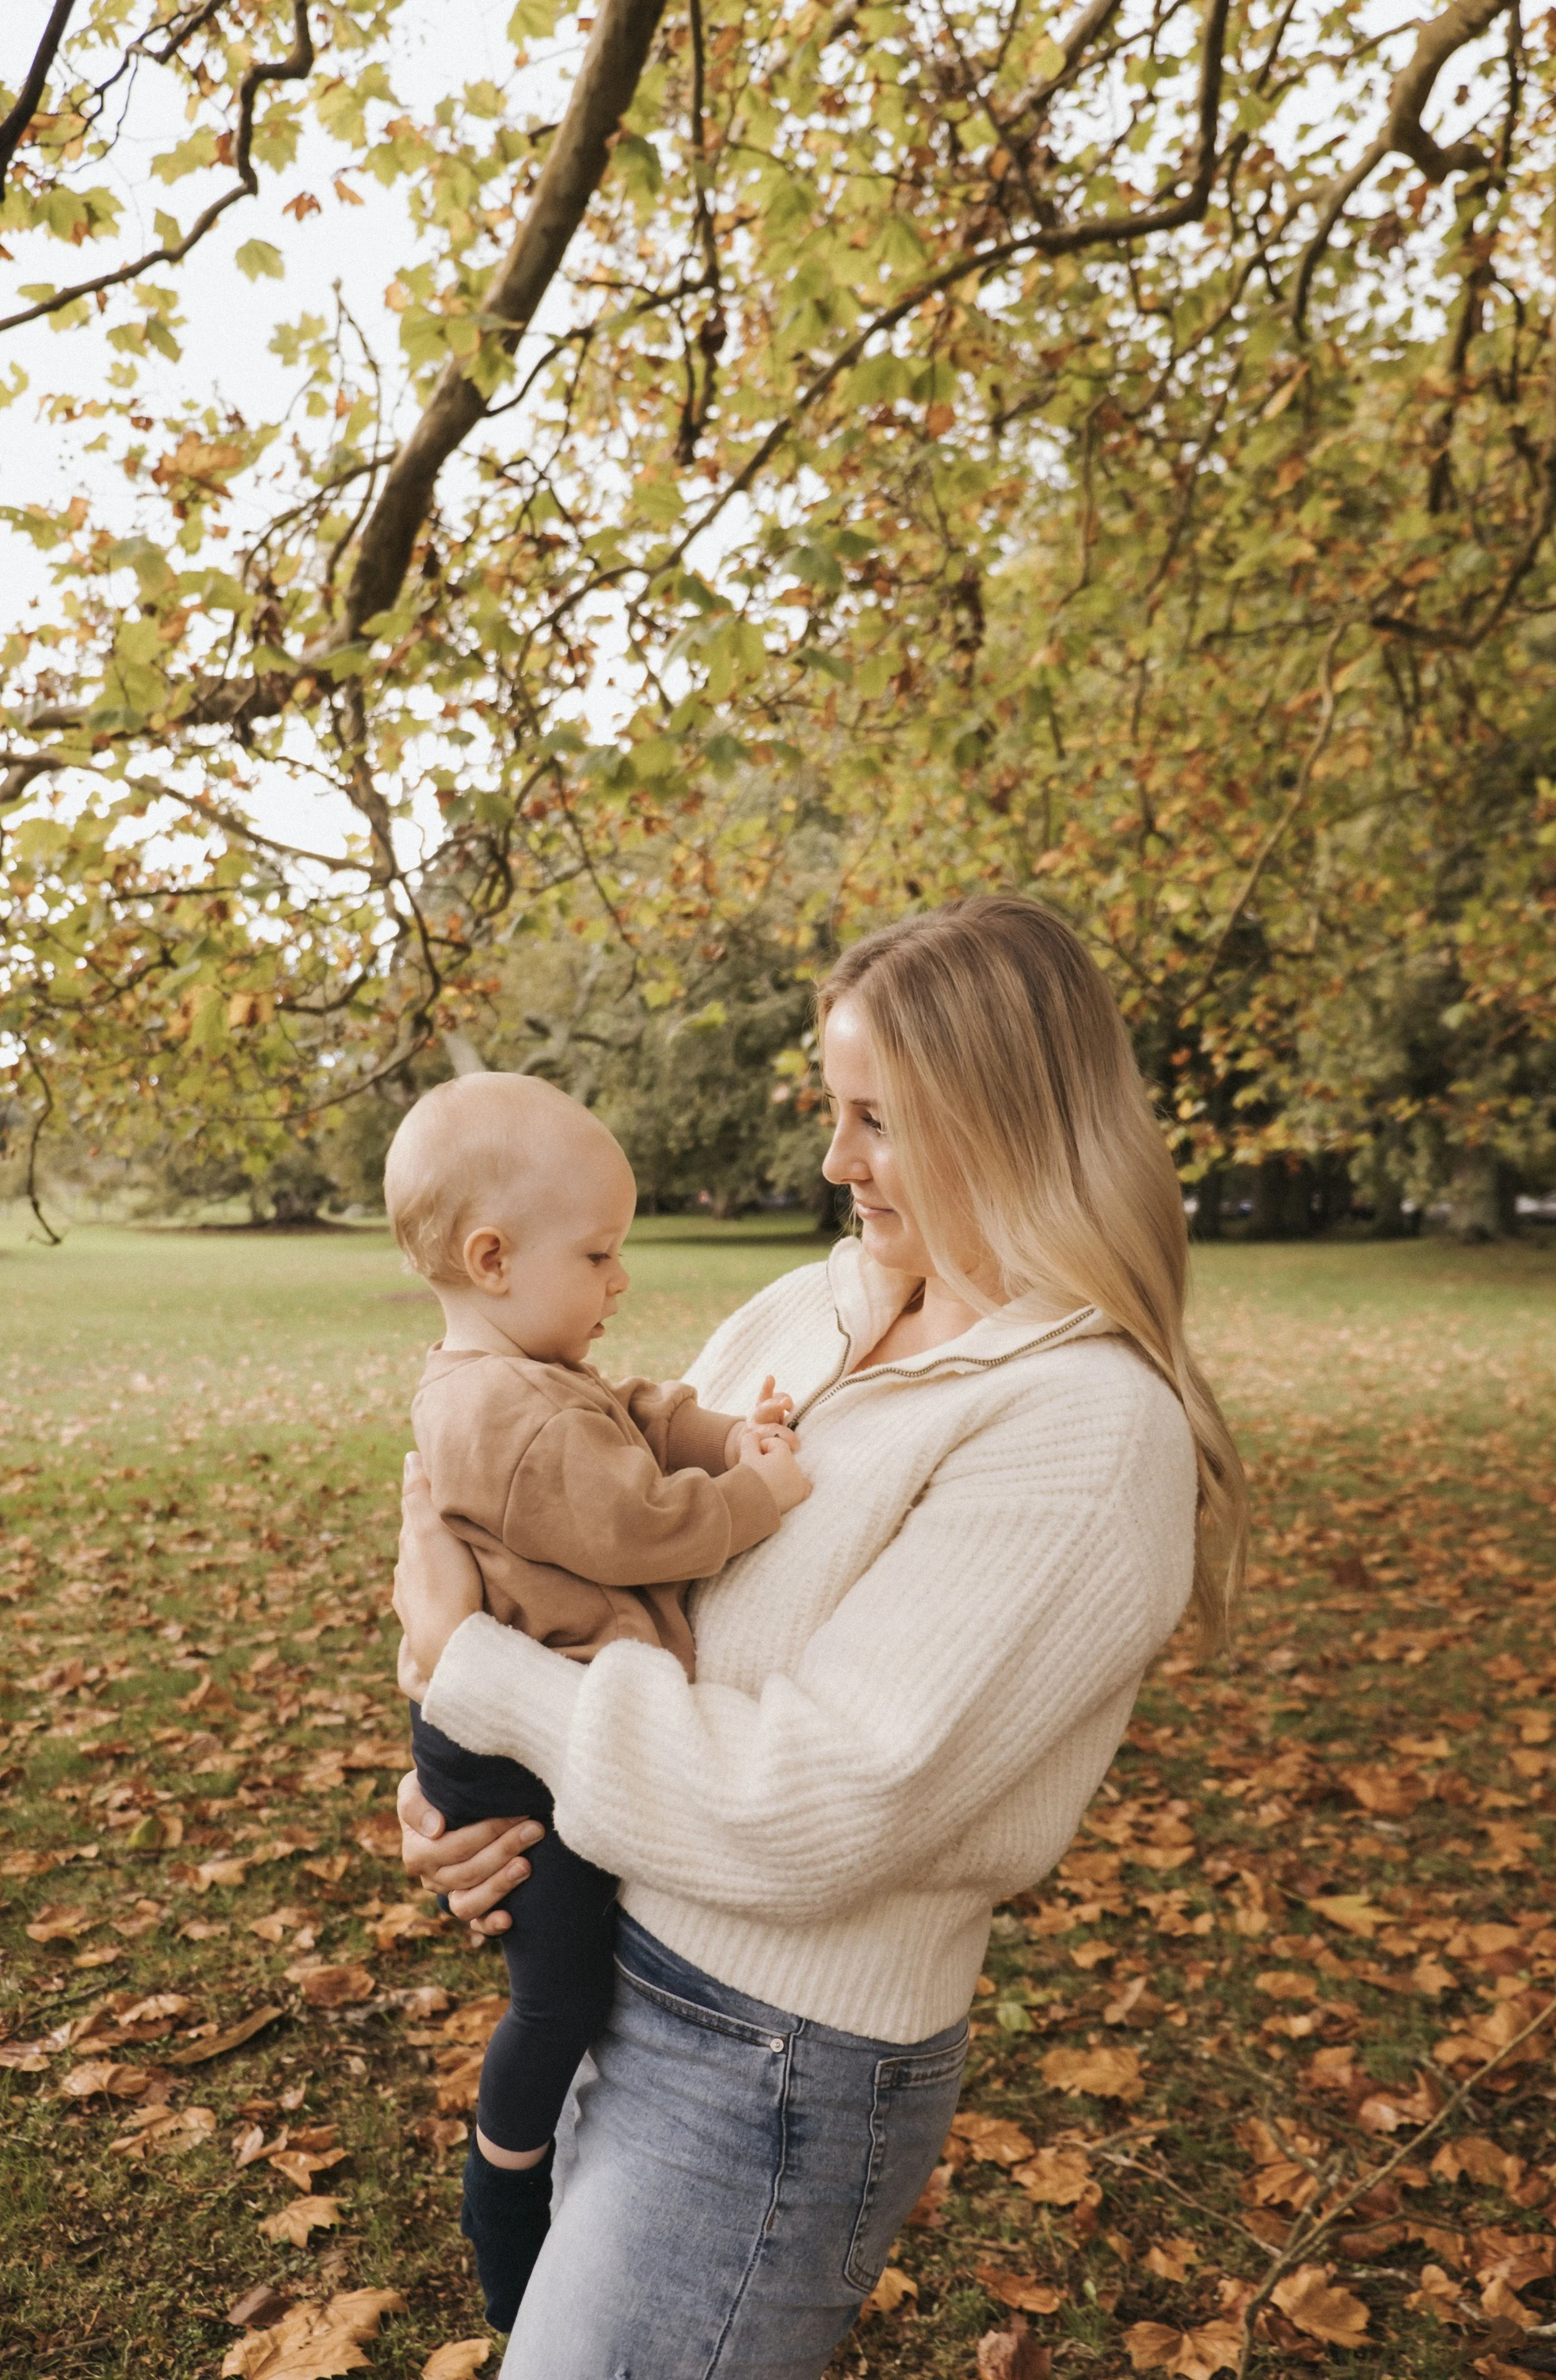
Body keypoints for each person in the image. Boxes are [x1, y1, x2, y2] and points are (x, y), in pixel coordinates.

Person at [393, 897, 1247, 2379]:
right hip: (612, 1957)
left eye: (876, 1120)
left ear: (1007, 1119)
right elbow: (563, 1537)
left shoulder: (1086, 1429)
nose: (832, 1159)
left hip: (768, 2061)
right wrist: (473, 1803)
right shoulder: (811, 1303)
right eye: (831, 1109)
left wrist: (479, 1680)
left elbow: (812, 1804)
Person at [383, 1072, 810, 2324]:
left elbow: (638, 1414)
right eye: (602, 1252)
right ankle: (505, 2170)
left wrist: (729, 1431)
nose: (620, 1280)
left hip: (534, 1714)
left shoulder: (532, 1372)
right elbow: (630, 1522)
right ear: (493, 1256)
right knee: (559, 1988)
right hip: (518, 1756)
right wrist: (753, 1498)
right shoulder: (498, 1414)